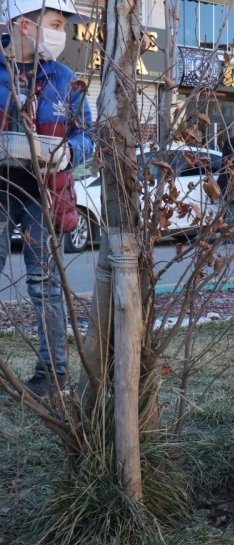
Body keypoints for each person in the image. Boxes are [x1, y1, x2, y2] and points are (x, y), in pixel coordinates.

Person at [0, 0, 93, 397]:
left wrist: (69, 153)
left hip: (45, 190)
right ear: (24, 25)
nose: (63, 35)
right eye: (55, 24)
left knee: (45, 284)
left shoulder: (65, 77)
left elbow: (87, 134)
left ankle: (51, 377)